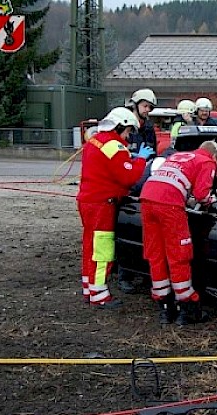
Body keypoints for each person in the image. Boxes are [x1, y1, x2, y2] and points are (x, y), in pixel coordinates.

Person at [77, 107, 155, 308]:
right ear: (120, 126)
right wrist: (140, 161)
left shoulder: (95, 141)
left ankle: (90, 288)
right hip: (102, 204)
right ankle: (100, 295)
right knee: (102, 250)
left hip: (88, 201)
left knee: (90, 246)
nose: (129, 137)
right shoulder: (114, 145)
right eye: (129, 132)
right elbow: (128, 177)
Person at [139, 141, 217, 325]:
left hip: (147, 199)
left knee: (156, 254)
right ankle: (188, 308)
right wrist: (214, 199)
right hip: (169, 204)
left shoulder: (178, 155)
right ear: (215, 157)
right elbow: (202, 194)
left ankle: (165, 306)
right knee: (179, 255)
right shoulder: (206, 162)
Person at [119, 88, 159, 294]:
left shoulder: (148, 128)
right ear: (135, 105)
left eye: (150, 108)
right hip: (125, 185)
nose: (147, 110)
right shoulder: (124, 126)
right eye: (145, 106)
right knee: (124, 229)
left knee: (141, 231)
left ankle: (140, 272)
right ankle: (123, 274)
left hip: (142, 183)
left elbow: (152, 154)